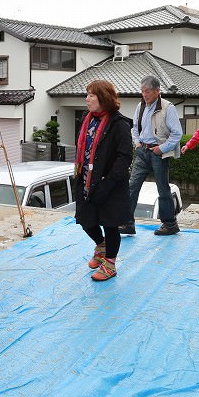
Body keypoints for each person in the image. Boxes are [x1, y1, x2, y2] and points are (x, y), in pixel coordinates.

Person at [74, 80, 133, 281]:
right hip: (86, 179)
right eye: (87, 94)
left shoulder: (119, 124)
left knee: (110, 223)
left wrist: (107, 182)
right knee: (84, 219)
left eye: (91, 95)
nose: (87, 98)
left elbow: (124, 157)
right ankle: (101, 245)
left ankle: (110, 264)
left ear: (104, 98)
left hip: (110, 183)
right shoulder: (87, 118)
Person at [119, 76, 183, 236]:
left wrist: (162, 148)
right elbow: (134, 127)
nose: (144, 95)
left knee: (163, 188)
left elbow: (177, 133)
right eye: (142, 91)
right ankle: (127, 223)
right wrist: (137, 143)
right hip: (142, 151)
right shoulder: (140, 106)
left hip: (158, 152)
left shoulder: (168, 108)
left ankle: (170, 224)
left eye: (147, 91)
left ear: (157, 91)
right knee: (132, 186)